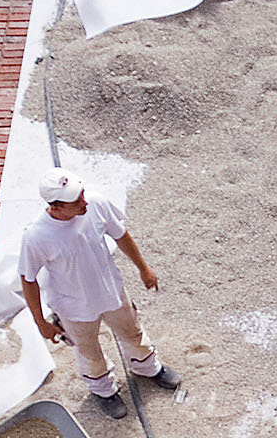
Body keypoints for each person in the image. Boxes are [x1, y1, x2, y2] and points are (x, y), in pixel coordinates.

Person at [18, 169, 180, 420]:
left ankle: (148, 368)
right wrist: (41, 323)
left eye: (81, 194)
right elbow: (28, 280)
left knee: (132, 332)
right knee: (88, 350)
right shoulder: (36, 237)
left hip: (111, 291)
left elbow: (121, 235)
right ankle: (104, 391)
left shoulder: (96, 205)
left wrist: (144, 268)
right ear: (56, 207)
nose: (84, 201)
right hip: (74, 308)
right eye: (75, 200)